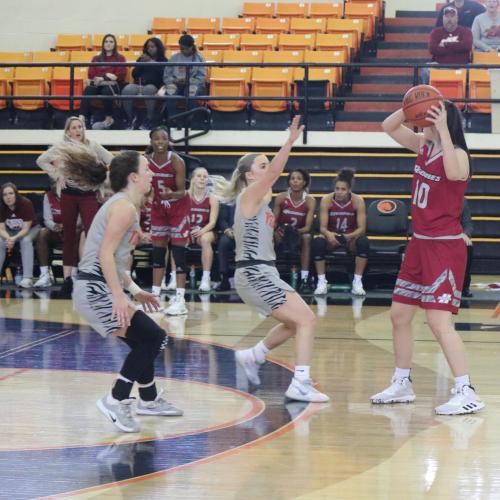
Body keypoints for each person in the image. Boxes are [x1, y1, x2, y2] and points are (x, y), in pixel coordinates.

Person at [370, 101, 485, 415]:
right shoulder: (423, 145)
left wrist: (445, 127)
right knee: (399, 315)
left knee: (438, 321)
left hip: (444, 248)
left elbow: (456, 172)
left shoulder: (457, 153)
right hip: (420, 244)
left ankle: (466, 390)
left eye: (428, 115)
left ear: (443, 120)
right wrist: (409, 106)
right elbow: (388, 127)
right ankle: (402, 383)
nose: (422, 121)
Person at [215, 116, 329, 403]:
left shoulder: (260, 201)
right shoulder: (249, 195)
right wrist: (289, 141)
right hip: (254, 273)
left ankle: (253, 356)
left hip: (263, 272)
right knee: (306, 321)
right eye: (262, 166)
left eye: (267, 165)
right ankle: (300, 382)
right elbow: (277, 170)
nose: (269, 171)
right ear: (250, 175)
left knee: (295, 323)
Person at [73, 148, 183, 433]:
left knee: (144, 340)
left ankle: (148, 398)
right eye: (147, 169)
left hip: (100, 286)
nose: (152, 173)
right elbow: (104, 255)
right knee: (154, 337)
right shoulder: (124, 207)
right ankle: (115, 399)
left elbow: (114, 258)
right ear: (134, 177)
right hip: (95, 289)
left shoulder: (126, 206)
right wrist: (120, 298)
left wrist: (134, 290)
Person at [36, 116, 112, 296]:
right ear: (67, 131)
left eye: (80, 127)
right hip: (69, 194)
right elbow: (41, 161)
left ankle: (93, 274)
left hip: (88, 195)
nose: (78, 130)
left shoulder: (92, 145)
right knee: (69, 236)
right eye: (74, 127)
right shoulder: (61, 147)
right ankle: (68, 279)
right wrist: (57, 174)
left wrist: (101, 180)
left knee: (92, 233)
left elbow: (111, 160)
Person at [147, 127, 190, 315]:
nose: (160, 142)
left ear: (168, 141)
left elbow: (183, 191)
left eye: (163, 139)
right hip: (158, 207)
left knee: (178, 253)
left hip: (177, 207)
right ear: (151, 141)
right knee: (158, 253)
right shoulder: (146, 161)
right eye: (156, 139)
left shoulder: (176, 161)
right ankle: (155, 298)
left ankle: (180, 299)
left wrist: (171, 193)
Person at [312, 168, 369, 297]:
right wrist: (329, 235)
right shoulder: (327, 199)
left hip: (350, 237)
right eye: (337, 188)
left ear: (349, 190)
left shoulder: (358, 201)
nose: (339, 192)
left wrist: (348, 236)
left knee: (364, 242)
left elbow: (361, 228)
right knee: (318, 243)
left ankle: (357, 282)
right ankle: (321, 282)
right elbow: (322, 227)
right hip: (332, 236)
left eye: (343, 189)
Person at [33, 182, 83, 288]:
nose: (56, 186)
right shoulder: (48, 196)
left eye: (58, 183)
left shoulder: (75, 194)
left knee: (77, 233)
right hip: (55, 231)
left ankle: (72, 274)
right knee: (42, 233)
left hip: (71, 230)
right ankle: (44, 274)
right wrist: (54, 226)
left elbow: (79, 220)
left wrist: (66, 226)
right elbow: (47, 219)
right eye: (54, 184)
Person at [273, 168, 316, 292]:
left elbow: (308, 227)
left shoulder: (310, 200)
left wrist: (293, 232)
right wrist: (280, 231)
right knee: (269, 234)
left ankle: (304, 279)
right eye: (292, 179)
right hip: (282, 233)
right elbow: (274, 221)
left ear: (304, 182)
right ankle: (270, 277)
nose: (295, 181)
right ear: (289, 182)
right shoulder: (281, 197)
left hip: (299, 234)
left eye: (299, 179)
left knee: (307, 237)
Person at [79, 34, 127, 130]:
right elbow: (91, 74)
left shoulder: (120, 58)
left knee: (106, 91)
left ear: (115, 44)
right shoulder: (96, 59)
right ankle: (81, 119)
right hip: (98, 84)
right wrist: (107, 75)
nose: (108, 44)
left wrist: (103, 77)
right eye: (106, 41)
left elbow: (120, 75)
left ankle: (108, 118)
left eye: (111, 41)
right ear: (103, 44)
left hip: (113, 86)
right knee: (88, 90)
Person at [122, 37, 168, 131]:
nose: (150, 49)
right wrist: (141, 64)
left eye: (152, 46)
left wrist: (151, 62)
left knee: (148, 89)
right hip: (139, 85)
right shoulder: (142, 58)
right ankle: (130, 119)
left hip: (154, 86)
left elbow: (164, 75)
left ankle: (149, 119)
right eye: (148, 47)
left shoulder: (163, 60)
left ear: (158, 48)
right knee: (127, 90)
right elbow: (134, 75)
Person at [0, 183, 39, 288]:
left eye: (11, 193)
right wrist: (8, 238)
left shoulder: (26, 203)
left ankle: (27, 278)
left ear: (16, 194)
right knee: (0, 242)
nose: (8, 197)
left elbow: (26, 229)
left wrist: (13, 238)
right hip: (10, 231)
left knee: (25, 241)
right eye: (4, 195)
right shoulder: (1, 206)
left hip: (31, 229)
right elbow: (1, 229)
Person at [162, 34, 207, 123]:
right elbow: (166, 75)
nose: (184, 51)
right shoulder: (174, 58)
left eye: (186, 48)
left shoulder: (199, 58)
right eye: (181, 48)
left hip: (193, 84)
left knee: (191, 91)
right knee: (170, 91)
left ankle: (191, 119)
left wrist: (188, 81)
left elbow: (202, 77)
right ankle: (172, 119)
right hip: (176, 83)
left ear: (192, 47)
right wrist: (174, 80)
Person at [187, 167, 219, 292]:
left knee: (205, 240)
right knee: (176, 239)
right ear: (193, 179)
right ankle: (174, 277)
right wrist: (186, 231)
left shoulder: (212, 198)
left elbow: (212, 222)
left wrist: (201, 231)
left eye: (205, 176)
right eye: (199, 176)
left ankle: (206, 278)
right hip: (188, 230)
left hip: (206, 230)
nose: (202, 179)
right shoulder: (185, 196)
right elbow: (180, 218)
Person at [424, 6, 473, 84]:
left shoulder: (466, 31)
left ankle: (468, 95)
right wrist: (457, 47)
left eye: (452, 16)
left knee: (476, 69)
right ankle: (429, 92)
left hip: (462, 67)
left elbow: (466, 46)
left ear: (457, 18)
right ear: (443, 18)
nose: (449, 19)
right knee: (425, 68)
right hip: (440, 67)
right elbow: (432, 49)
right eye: (447, 16)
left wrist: (445, 44)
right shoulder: (436, 32)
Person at [214, 201, 236, 292]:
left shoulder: (250, 197)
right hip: (230, 232)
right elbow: (222, 219)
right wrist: (227, 230)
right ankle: (224, 279)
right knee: (223, 242)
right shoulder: (227, 199)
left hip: (247, 232)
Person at [461, 198, 474, 298]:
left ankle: (464, 287)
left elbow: (467, 223)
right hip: (439, 235)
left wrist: (465, 234)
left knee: (468, 245)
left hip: (457, 236)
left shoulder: (462, 200)